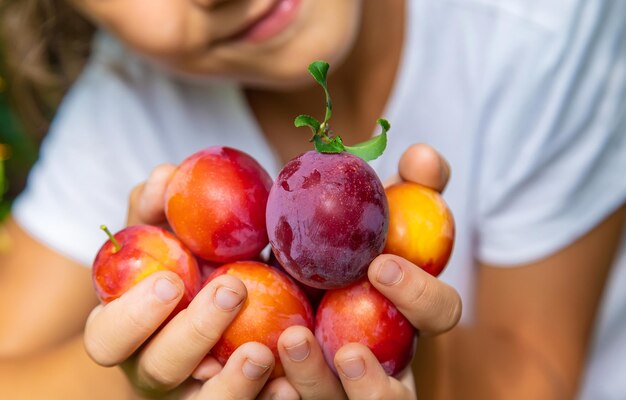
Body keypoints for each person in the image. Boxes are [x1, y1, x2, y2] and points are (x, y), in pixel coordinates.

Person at [1, 0, 625, 398]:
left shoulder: (537, 25)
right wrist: (135, 384)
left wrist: (408, 357)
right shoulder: (126, 99)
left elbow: (537, 375)